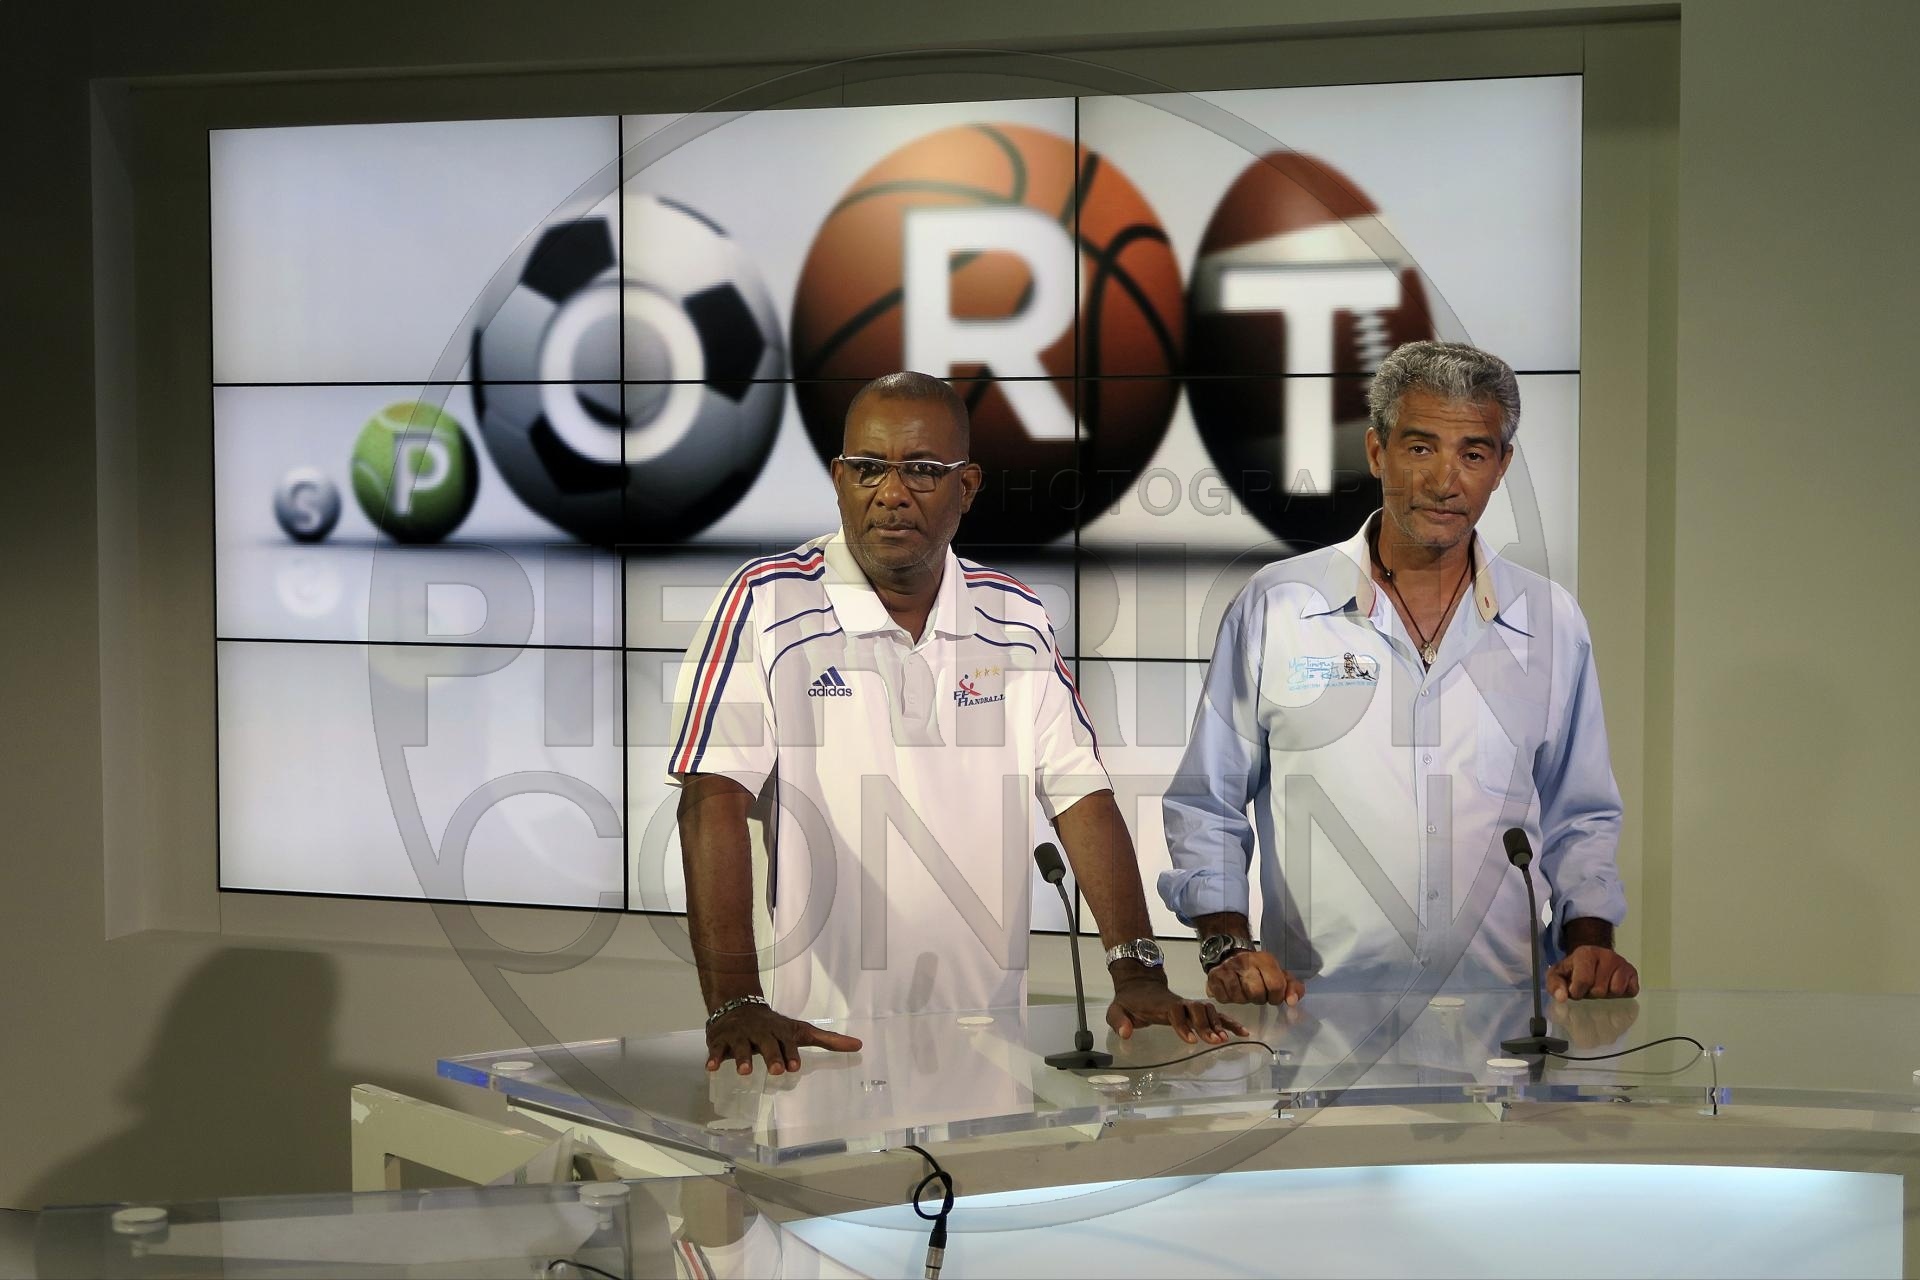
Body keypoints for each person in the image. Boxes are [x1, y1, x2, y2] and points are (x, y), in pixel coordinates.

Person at [673, 371, 1242, 1073]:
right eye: (868, 468)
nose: (890, 492)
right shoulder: (766, 602)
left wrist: (1139, 971)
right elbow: (712, 796)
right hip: (819, 1042)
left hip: (990, 1043)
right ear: (839, 479)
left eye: (920, 470)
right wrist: (734, 999)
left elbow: (1082, 796)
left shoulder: (1015, 616)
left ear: (966, 487)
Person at [1160, 341, 1638, 1005]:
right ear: (1377, 451)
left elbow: (1580, 817)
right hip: (1312, 1013)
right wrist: (1228, 945)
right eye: (1420, 448)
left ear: (1501, 466)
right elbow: (1206, 800)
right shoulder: (1278, 606)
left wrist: (1590, 943)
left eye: (1473, 454)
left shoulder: (1551, 621)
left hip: (1506, 1018)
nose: (1445, 480)